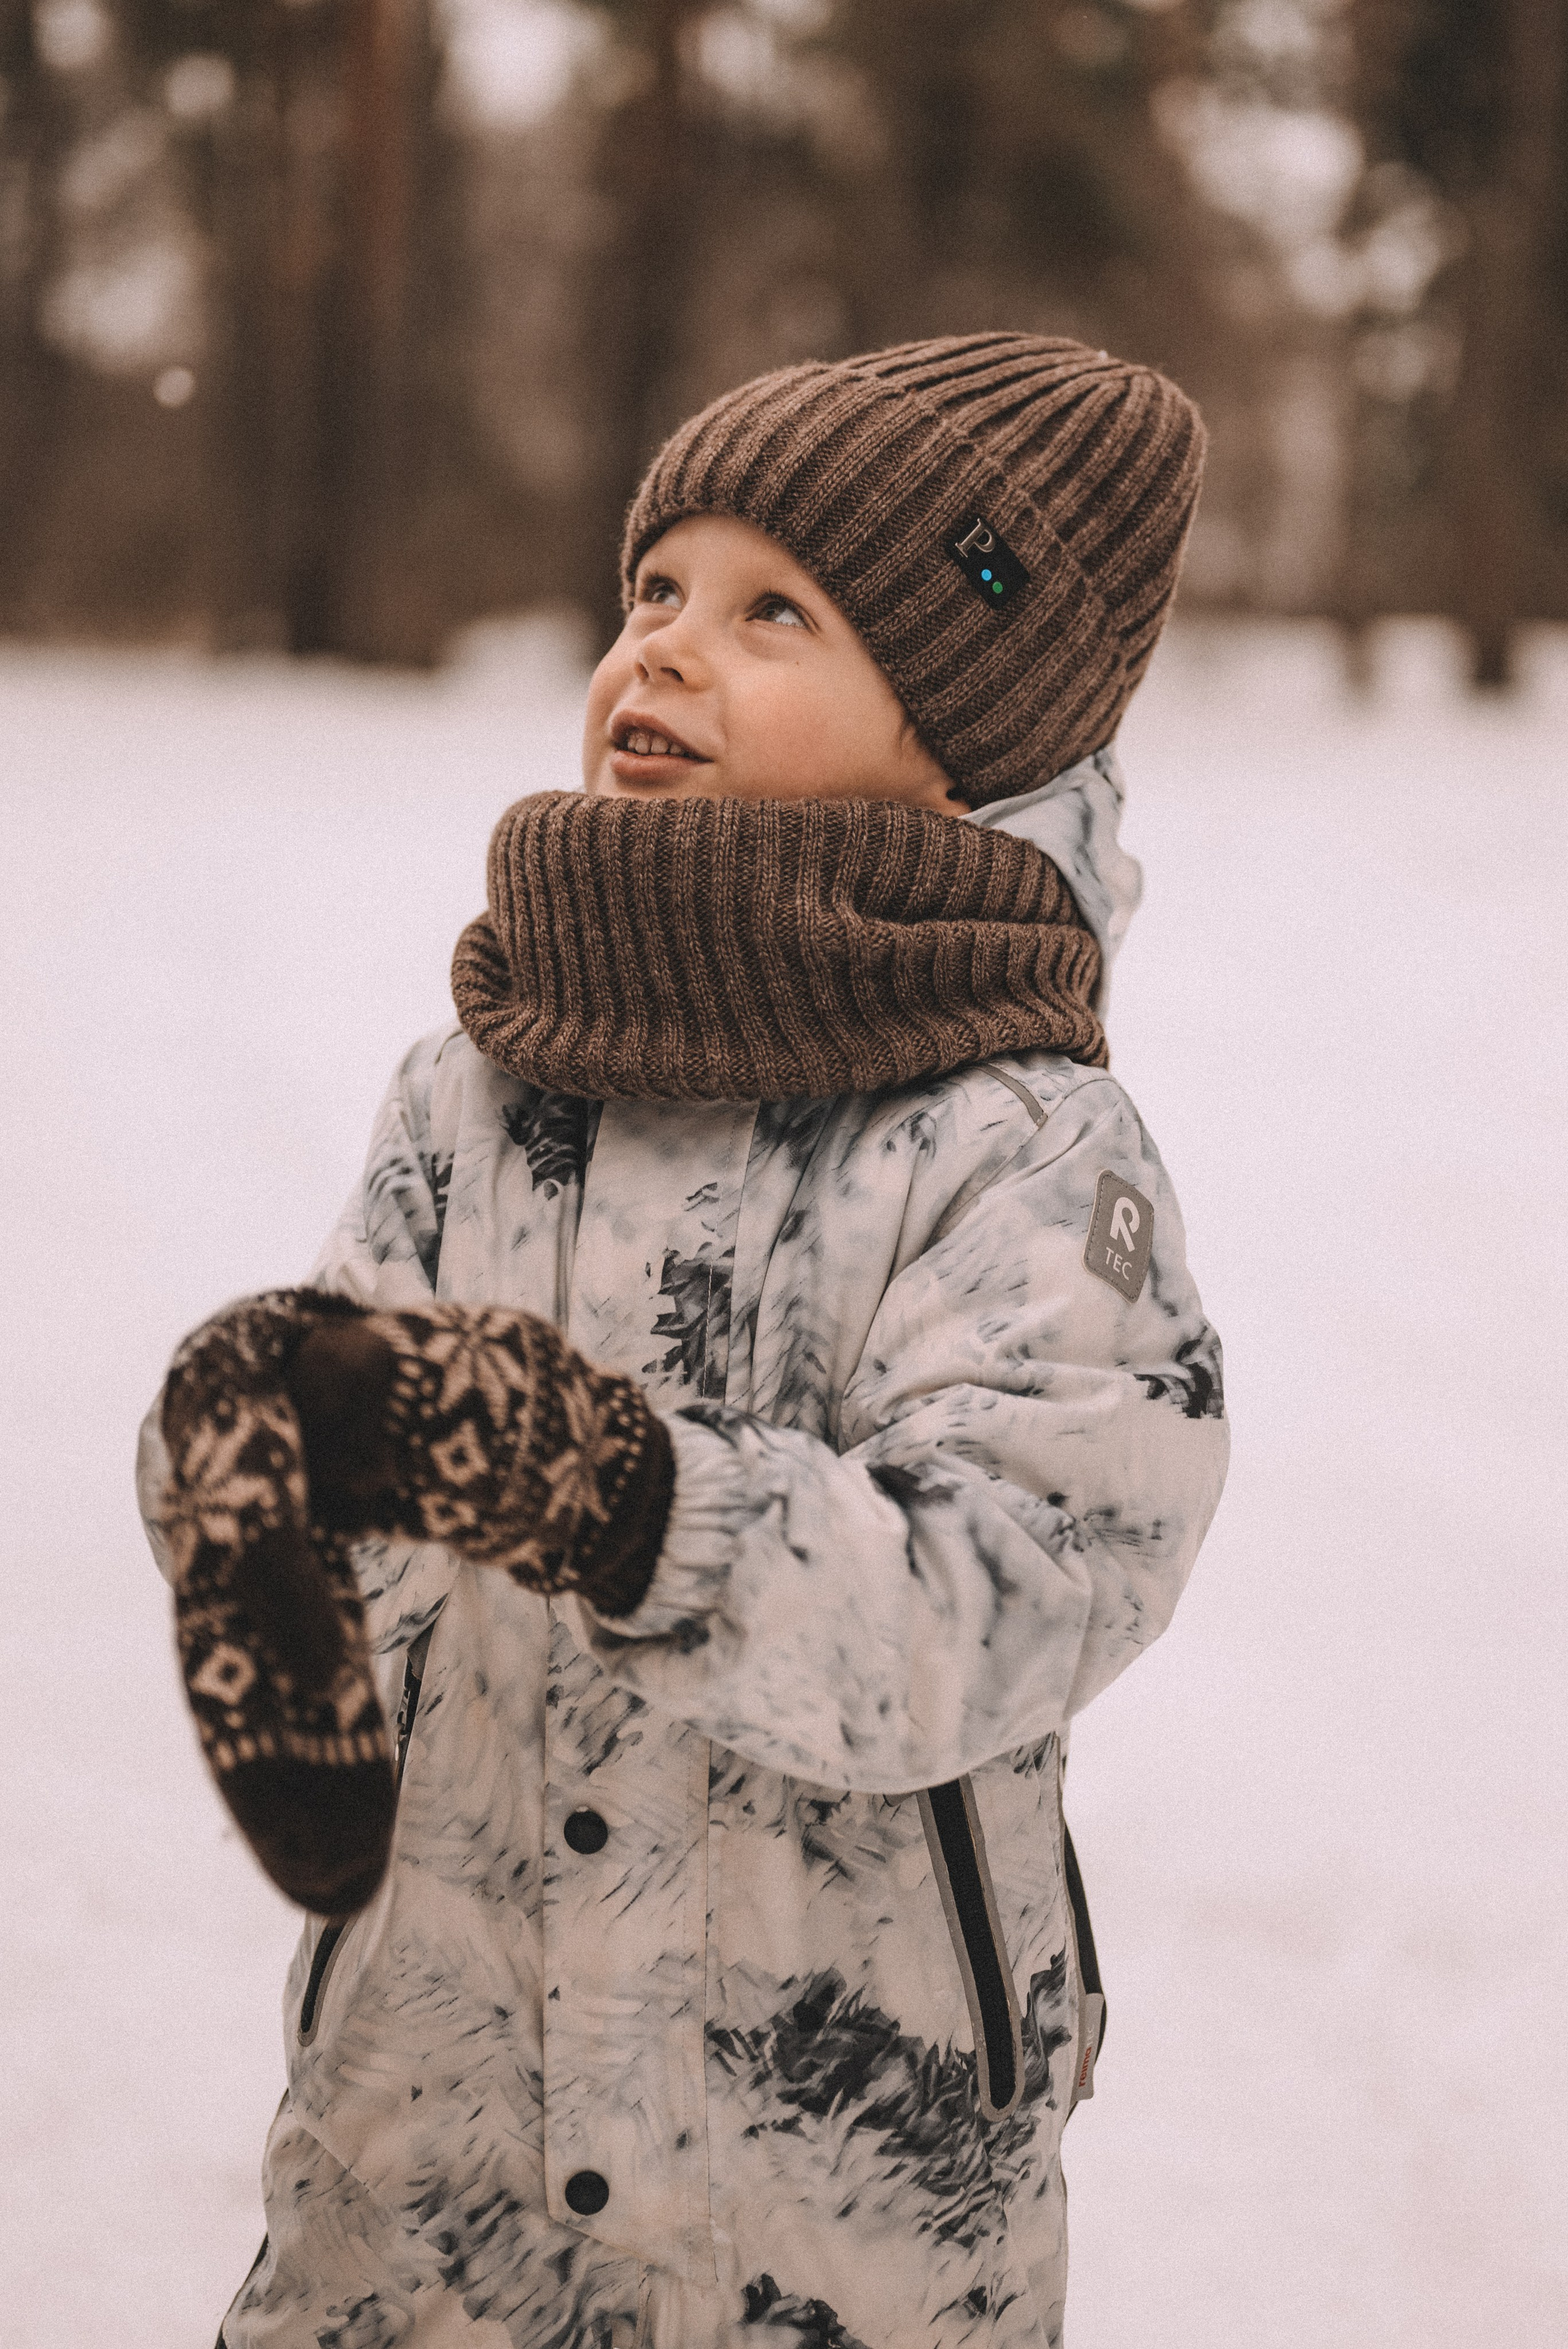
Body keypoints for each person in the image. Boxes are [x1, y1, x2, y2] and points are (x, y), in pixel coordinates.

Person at [139, 332, 1229, 2349]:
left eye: (772, 611)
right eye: (651, 591)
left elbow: (1023, 1568)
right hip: (427, 2165)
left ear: (952, 735)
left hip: (828, 2212)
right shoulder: (480, 1085)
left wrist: (632, 1501)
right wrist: (273, 1471)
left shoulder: (1017, 1136)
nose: (664, 649)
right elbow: (384, 1443)